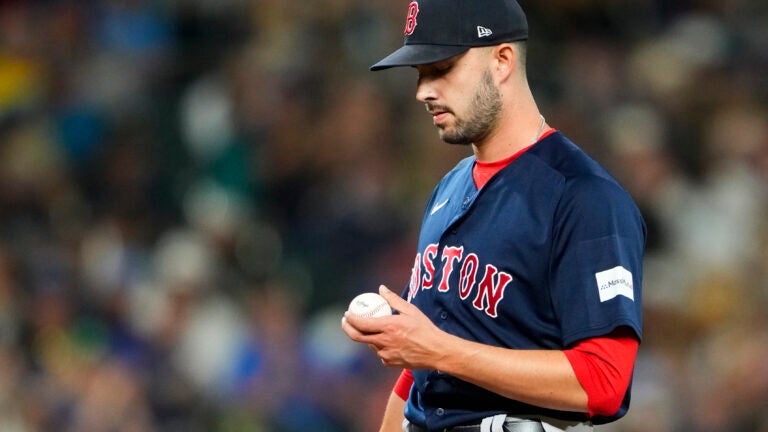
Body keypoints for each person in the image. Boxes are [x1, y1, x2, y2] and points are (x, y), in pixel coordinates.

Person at [341, 0, 645, 431]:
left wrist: (437, 350)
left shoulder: (583, 197)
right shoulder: (449, 188)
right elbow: (420, 373)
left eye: (441, 68)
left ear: (502, 59)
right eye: (420, 74)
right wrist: (425, 351)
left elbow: (604, 382)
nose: (423, 91)